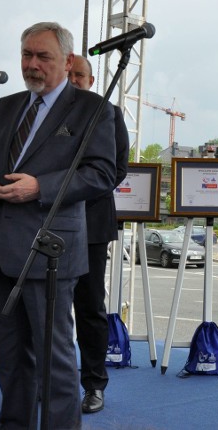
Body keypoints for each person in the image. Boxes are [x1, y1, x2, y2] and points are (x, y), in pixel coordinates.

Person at [0, 22, 117, 429]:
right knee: (10, 357)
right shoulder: (6, 106)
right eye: (26, 55)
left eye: (42, 56)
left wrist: (41, 187)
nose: (32, 65)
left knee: (55, 359)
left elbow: (103, 174)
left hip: (48, 249)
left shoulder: (93, 110)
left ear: (67, 62)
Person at [68, 54, 130, 414]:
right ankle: (45, 380)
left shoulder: (107, 113)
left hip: (90, 224)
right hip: (42, 222)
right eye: (69, 74)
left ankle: (94, 385)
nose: (74, 80)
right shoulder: (43, 112)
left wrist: (75, 188)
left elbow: (117, 168)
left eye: (80, 75)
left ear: (91, 80)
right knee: (46, 308)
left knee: (89, 307)